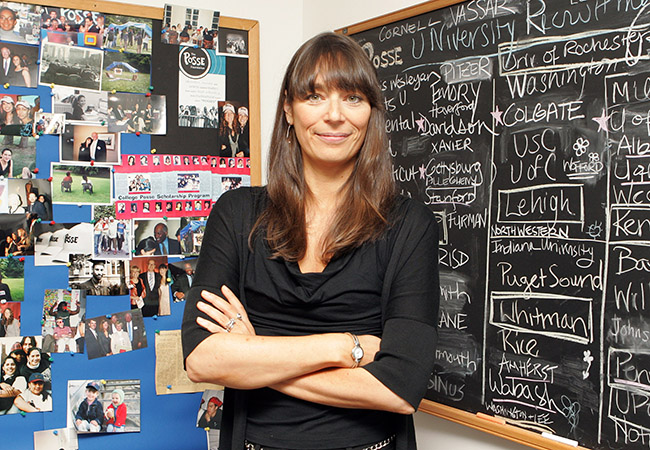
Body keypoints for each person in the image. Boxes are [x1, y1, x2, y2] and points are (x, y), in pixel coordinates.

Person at [181, 33, 439, 450]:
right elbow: (202, 360)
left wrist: (253, 354)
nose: (334, 115)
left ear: (371, 111)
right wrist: (346, 347)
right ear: (288, 108)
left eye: (353, 98)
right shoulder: (236, 213)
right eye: (315, 96)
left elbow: (400, 389)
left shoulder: (409, 224)